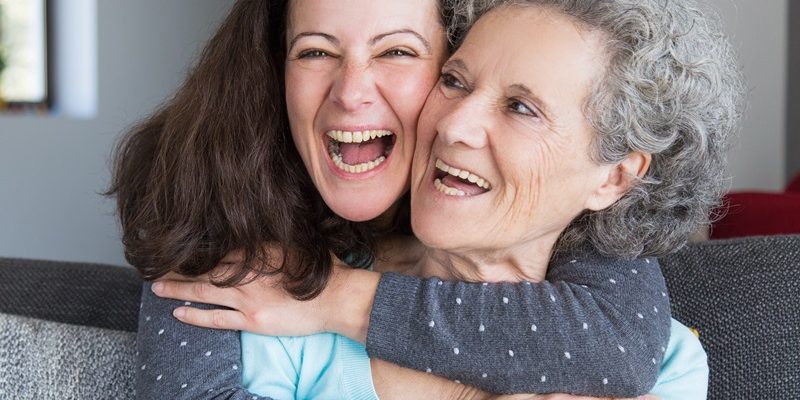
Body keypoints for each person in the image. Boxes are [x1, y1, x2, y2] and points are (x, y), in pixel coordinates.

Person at [115, 0, 742, 398]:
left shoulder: (660, 359)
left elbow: (616, 339)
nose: (453, 124)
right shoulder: (268, 302)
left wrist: (344, 301)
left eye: (521, 108)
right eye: (456, 81)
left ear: (613, 178)